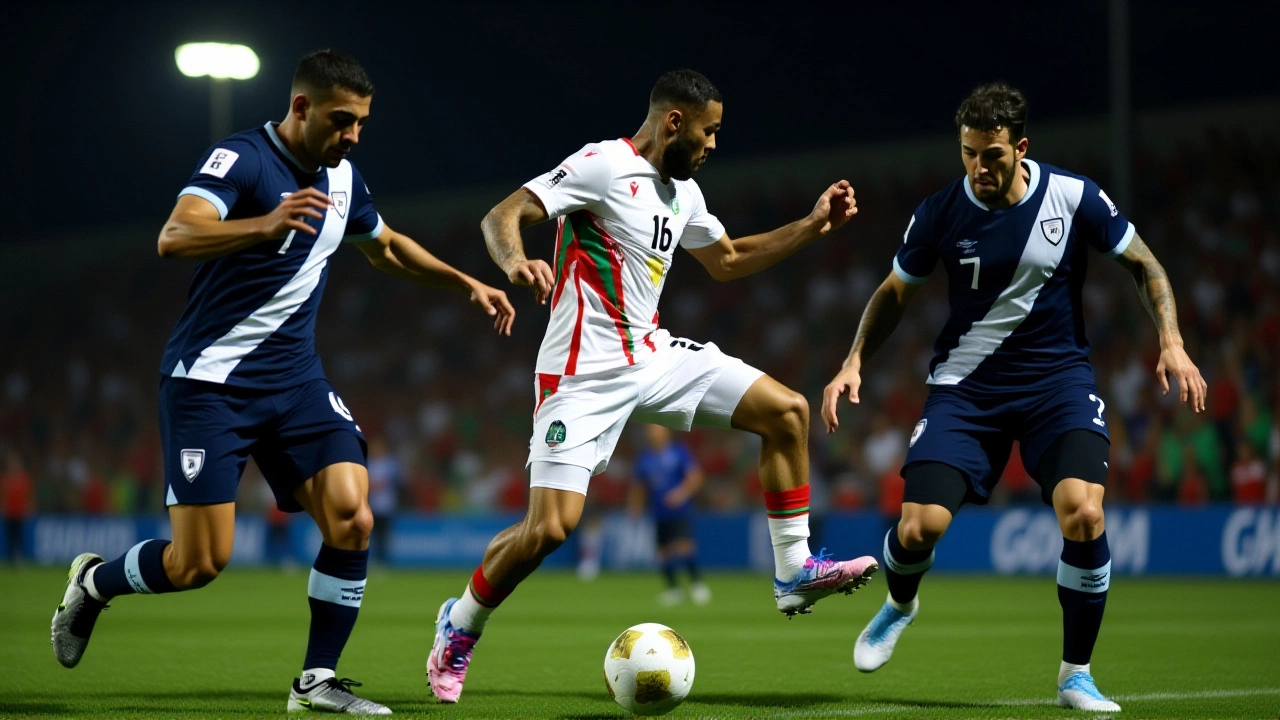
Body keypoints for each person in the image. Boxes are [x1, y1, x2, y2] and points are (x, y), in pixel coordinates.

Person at [49, 49, 515, 716]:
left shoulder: (344, 179)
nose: (352, 135)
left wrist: (464, 281)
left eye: (361, 124)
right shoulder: (241, 159)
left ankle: (315, 681)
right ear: (301, 108)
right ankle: (94, 583)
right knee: (198, 564)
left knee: (353, 515)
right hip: (209, 385)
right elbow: (175, 234)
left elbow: (385, 246)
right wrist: (261, 223)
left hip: (295, 384)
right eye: (342, 120)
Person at [427, 69, 878, 704]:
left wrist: (811, 224)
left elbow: (728, 260)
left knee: (787, 411)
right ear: (674, 122)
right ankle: (460, 624)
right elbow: (504, 214)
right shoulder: (603, 165)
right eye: (710, 131)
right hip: (580, 374)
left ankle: (793, 571)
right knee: (549, 529)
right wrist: (516, 260)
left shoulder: (683, 192)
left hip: (653, 355)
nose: (714, 145)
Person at [821, 82, 1206, 713]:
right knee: (919, 529)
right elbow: (895, 292)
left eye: (992, 154)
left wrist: (1173, 342)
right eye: (969, 153)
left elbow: (1145, 264)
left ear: (1020, 147)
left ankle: (1075, 675)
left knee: (1084, 512)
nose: (979, 167)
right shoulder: (941, 211)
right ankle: (899, 603)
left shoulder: (1073, 196)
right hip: (966, 390)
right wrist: (853, 361)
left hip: (1057, 384)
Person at [628, 425, 709, 606]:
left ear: (666, 432)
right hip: (658, 512)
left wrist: (680, 494)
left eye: (656, 430)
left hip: (679, 511)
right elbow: (639, 487)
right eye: (650, 431)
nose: (652, 434)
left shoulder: (679, 452)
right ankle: (674, 590)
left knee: (684, 547)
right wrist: (635, 508)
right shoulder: (645, 458)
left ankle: (697, 585)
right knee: (663, 553)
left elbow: (695, 477)